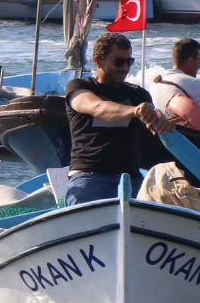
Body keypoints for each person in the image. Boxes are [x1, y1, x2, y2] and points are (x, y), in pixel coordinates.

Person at [64, 33, 171, 206]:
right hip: (90, 175)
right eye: (118, 61)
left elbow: (151, 115)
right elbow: (98, 108)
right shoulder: (79, 87)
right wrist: (135, 111)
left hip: (130, 178)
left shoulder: (138, 94)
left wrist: (159, 118)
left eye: (129, 61)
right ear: (98, 61)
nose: (125, 67)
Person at [148, 37, 200, 108]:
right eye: (199, 60)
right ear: (190, 61)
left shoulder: (156, 83)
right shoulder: (192, 83)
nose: (199, 66)